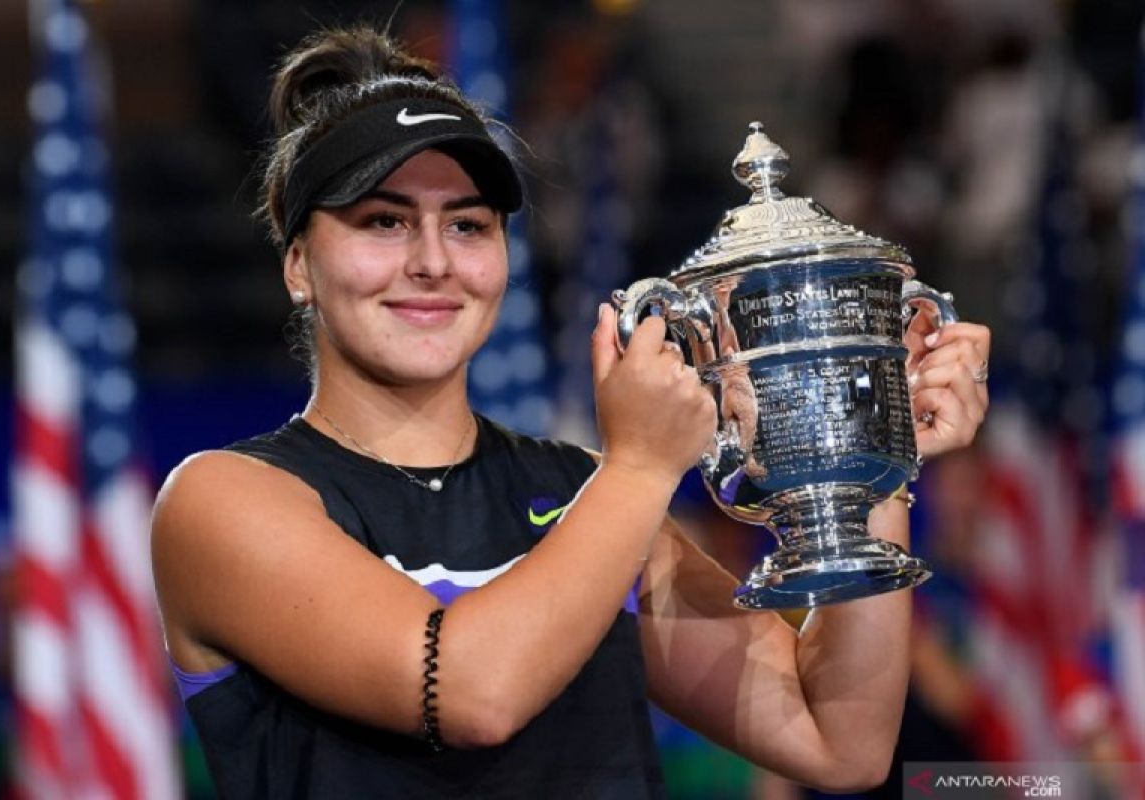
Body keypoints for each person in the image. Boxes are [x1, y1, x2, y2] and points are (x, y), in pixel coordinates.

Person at [150, 25, 993, 799]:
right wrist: (639, 468)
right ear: (299, 264)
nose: (435, 261)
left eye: (469, 225)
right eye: (383, 221)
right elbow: (473, 694)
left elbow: (838, 740)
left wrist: (874, 456)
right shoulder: (226, 501)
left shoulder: (580, 492)